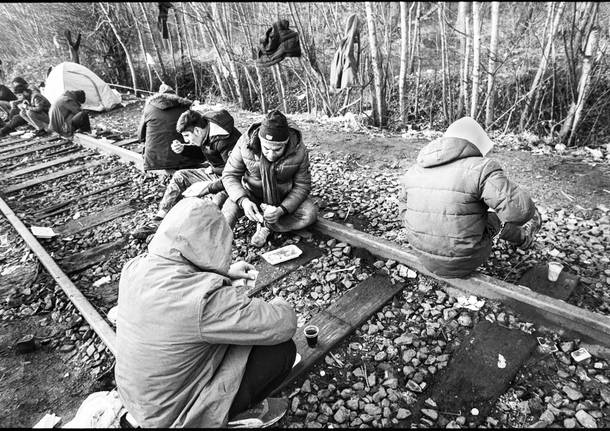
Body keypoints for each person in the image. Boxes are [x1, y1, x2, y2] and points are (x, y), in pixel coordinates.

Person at [116, 198, 297, 428]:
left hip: (138, 402)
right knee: (281, 351)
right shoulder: (207, 301)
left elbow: (177, 287)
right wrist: (280, 301)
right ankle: (226, 416)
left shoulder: (134, 267)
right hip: (173, 417)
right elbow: (283, 324)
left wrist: (226, 274)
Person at [398, 116, 542, 278]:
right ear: (476, 143)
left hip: (422, 253)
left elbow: (404, 212)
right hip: (465, 259)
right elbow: (521, 213)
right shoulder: (482, 168)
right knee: (497, 218)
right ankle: (524, 239)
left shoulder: (414, 170)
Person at [131, 107, 240, 239]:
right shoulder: (205, 130)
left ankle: (196, 236)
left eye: (187, 136)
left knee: (213, 205)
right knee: (180, 176)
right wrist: (184, 149)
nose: (187, 140)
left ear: (197, 131)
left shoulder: (225, 140)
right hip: (216, 173)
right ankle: (160, 218)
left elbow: (234, 173)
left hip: (231, 181)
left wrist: (207, 187)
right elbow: (205, 152)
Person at [221, 109, 318, 247]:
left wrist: (281, 210)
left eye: (277, 149)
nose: (271, 155)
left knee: (310, 214)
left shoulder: (299, 149)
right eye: (266, 149)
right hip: (252, 193)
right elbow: (229, 175)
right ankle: (218, 245)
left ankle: (266, 225)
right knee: (228, 211)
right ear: (259, 140)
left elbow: (302, 185)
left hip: (282, 197)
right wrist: (243, 201)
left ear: (286, 142)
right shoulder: (244, 143)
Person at [137, 83, 203, 174]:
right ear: (174, 95)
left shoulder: (149, 108)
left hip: (156, 161)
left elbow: (140, 137)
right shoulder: (185, 106)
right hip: (187, 158)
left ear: (158, 95)